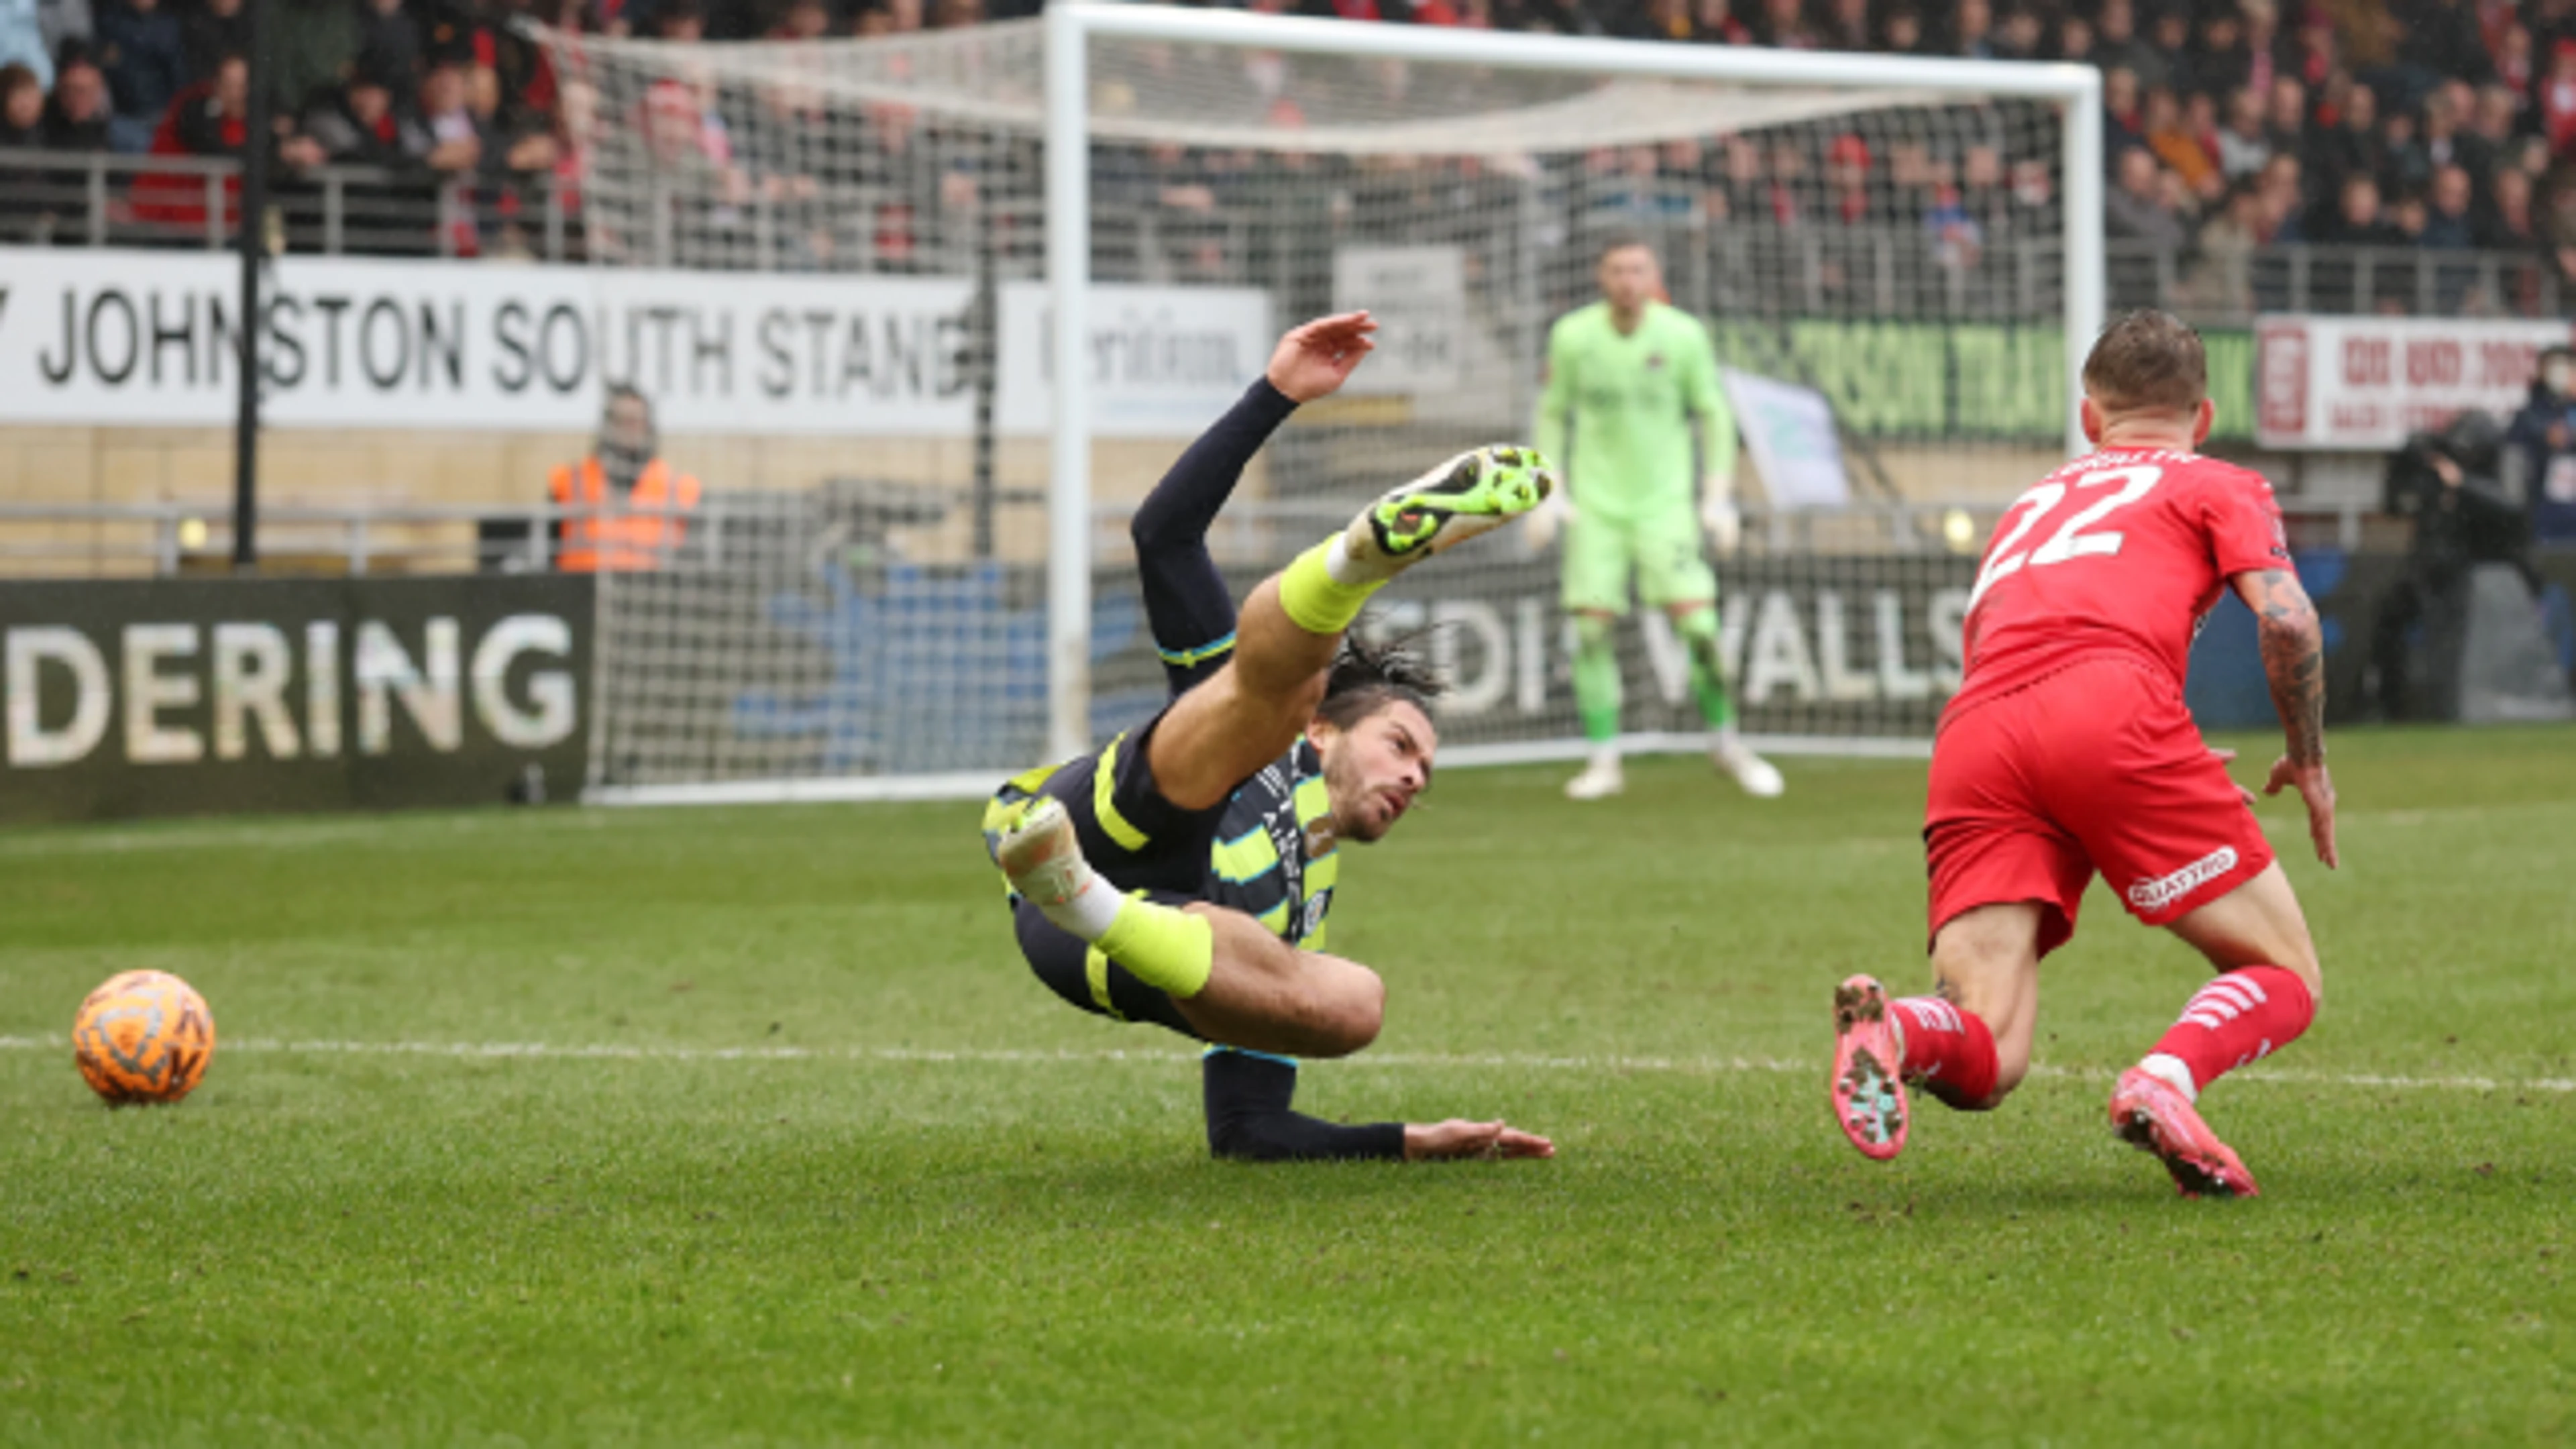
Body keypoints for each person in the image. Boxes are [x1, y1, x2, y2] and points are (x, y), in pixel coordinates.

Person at [983, 312, 1557, 1165]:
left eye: (1427, 772)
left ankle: (1081, 896)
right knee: (1258, 704)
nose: (1416, 779)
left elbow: (1248, 1131)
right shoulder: (1296, 729)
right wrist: (1277, 394)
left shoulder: (1302, 907)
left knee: (1355, 1003)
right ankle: (1355, 566)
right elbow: (1164, 536)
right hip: (1091, 815)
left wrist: (1405, 1143)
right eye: (1402, 745)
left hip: (1097, 931)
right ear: (1333, 731)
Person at [1827, 309, 2337, 1200]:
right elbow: (2289, 618)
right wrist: (2308, 757)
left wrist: (2126, 746)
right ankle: (2162, 1082)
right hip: (2112, 713)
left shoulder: (2031, 501)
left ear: (2090, 419)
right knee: (2283, 973)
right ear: (2203, 417)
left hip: (1980, 727)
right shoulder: (2220, 480)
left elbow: (1997, 645)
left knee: (1991, 1048)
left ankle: (1900, 1031)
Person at [1527, 235, 1782, 802]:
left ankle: (1727, 742)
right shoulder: (1573, 336)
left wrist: (1716, 497)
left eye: (1638, 269)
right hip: (1597, 507)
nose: (1627, 280)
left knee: (1700, 630)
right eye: (1617, 269)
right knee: (1590, 628)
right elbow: (1552, 413)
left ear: (1653, 274)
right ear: (1601, 275)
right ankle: (1604, 760)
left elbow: (1713, 414)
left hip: (1666, 507)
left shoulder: (1683, 335)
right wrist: (1549, 490)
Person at [548, 385, 702, 572]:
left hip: (655, 593)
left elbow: (693, 560)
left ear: (648, 426)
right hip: (580, 592)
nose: (629, 430)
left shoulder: (680, 489)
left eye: (635, 421)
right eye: (620, 421)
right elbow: (548, 551)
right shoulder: (569, 483)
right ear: (607, 426)